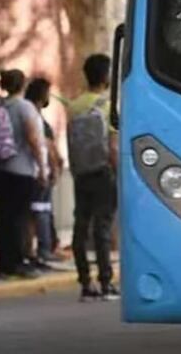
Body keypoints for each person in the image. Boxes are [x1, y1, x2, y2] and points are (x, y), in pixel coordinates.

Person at [67, 54, 119, 302]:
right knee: (103, 228)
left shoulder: (74, 105)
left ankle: (85, 283)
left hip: (81, 173)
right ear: (106, 76)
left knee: (81, 226)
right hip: (103, 172)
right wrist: (119, 173)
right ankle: (106, 283)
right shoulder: (108, 106)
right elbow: (113, 146)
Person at [0, 69, 49, 280]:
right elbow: (33, 138)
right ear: (22, 85)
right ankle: (18, 262)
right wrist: (42, 167)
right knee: (20, 217)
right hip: (22, 169)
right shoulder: (24, 107)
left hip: (0, 168)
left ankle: (5, 264)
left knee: (4, 217)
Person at [24, 78, 63, 269]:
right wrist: (53, 167)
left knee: (35, 212)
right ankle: (43, 250)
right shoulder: (34, 115)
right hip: (39, 170)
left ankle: (33, 251)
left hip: (32, 170)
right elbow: (45, 145)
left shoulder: (30, 113)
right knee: (41, 211)